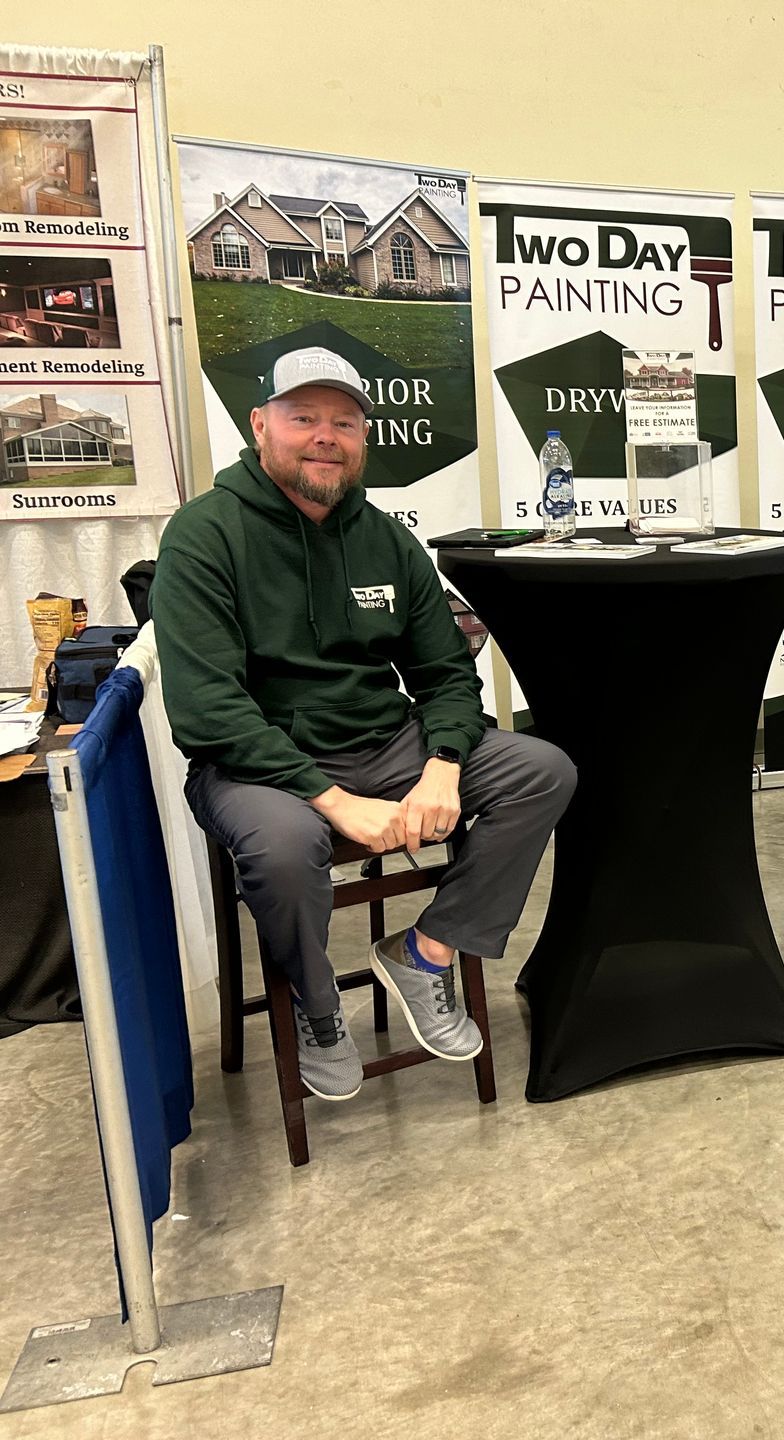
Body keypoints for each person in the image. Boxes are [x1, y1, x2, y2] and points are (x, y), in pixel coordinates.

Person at [153, 347, 576, 1100]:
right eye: (303, 417)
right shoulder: (203, 535)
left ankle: (428, 952)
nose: (325, 435)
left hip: (385, 742)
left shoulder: (386, 539)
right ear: (260, 425)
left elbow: (446, 674)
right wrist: (334, 800)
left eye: (344, 421)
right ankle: (319, 1011)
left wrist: (444, 762)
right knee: (286, 850)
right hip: (256, 762)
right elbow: (207, 710)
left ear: (363, 437)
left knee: (542, 771)